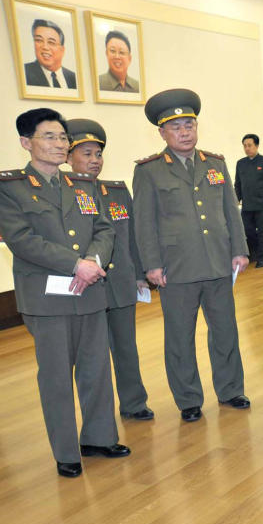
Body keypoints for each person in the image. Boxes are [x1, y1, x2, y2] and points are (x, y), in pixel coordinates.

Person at [0, 108, 128, 478]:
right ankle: (66, 451)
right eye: (49, 136)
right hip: (47, 298)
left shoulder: (81, 185)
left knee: (97, 369)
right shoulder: (6, 186)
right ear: (25, 143)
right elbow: (21, 240)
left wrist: (93, 262)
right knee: (55, 376)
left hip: (90, 289)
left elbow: (105, 229)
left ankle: (99, 437)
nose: (59, 144)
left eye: (63, 137)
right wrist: (75, 264)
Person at [132, 88, 251, 422]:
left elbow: (231, 209)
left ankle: (230, 389)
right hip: (175, 269)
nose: (185, 132)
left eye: (190, 125)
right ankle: (188, 399)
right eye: (176, 127)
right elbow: (144, 223)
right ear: (162, 132)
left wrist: (240, 249)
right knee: (180, 338)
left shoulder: (215, 164)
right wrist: (151, 264)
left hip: (217, 263)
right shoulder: (149, 171)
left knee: (225, 330)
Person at [66, 119, 153, 421]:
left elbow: (131, 237)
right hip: (86, 288)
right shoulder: (62, 193)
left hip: (120, 284)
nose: (94, 160)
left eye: (98, 154)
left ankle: (134, 402)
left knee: (127, 348)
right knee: (93, 356)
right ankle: (98, 418)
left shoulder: (115, 191)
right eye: (86, 153)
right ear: (68, 156)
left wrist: (139, 274)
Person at [234, 133, 263, 268]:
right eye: (244, 146)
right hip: (247, 205)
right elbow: (238, 184)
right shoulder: (240, 164)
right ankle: (256, 253)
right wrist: (235, 200)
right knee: (247, 231)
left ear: (256, 145)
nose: (247, 148)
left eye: (249, 145)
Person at [23, 19, 77, 89]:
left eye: (51, 42)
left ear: (62, 50)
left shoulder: (73, 78)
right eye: (39, 40)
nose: (45, 47)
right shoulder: (24, 72)